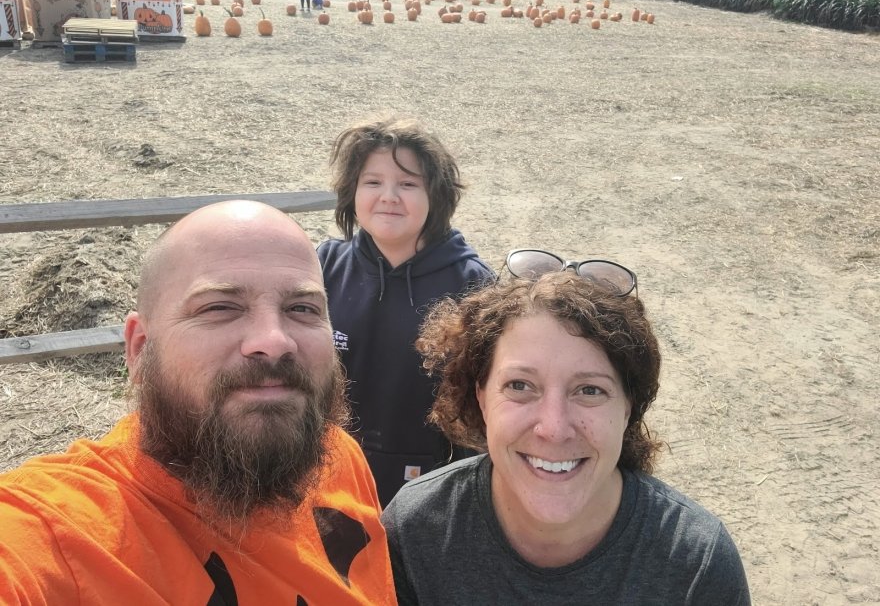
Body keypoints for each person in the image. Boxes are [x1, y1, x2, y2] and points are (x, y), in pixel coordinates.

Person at [0, 201, 396, 604]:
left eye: (302, 308)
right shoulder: (59, 535)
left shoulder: (338, 458)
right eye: (220, 307)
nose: (275, 341)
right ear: (140, 349)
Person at [382, 270, 752, 605]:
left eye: (589, 390)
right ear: (481, 398)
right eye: (520, 386)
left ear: (628, 408)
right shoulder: (415, 532)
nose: (554, 428)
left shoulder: (696, 565)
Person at [317, 114, 494, 507]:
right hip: (331, 468)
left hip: (429, 481)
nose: (389, 196)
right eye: (373, 182)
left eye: (408, 184)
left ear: (437, 196)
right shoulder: (324, 266)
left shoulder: (471, 283)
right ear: (351, 191)